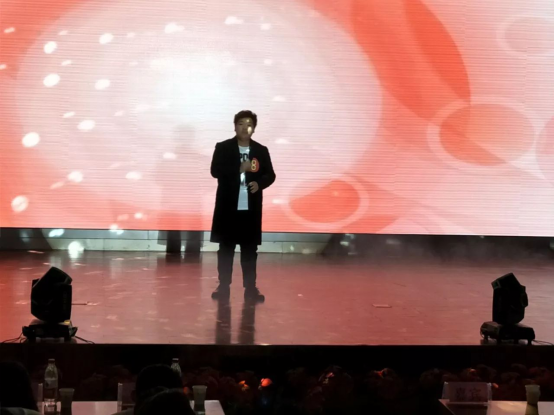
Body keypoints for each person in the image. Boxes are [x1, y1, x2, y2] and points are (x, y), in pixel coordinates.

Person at [210, 110, 276, 302]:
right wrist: (239, 168)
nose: (245, 128)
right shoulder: (223, 147)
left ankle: (251, 288)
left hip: (250, 209)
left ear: (254, 128)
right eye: (241, 123)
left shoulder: (261, 150)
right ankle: (223, 286)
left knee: (249, 250)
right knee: (226, 249)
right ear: (234, 126)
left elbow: (270, 174)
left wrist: (259, 183)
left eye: (249, 124)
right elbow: (215, 171)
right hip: (227, 208)